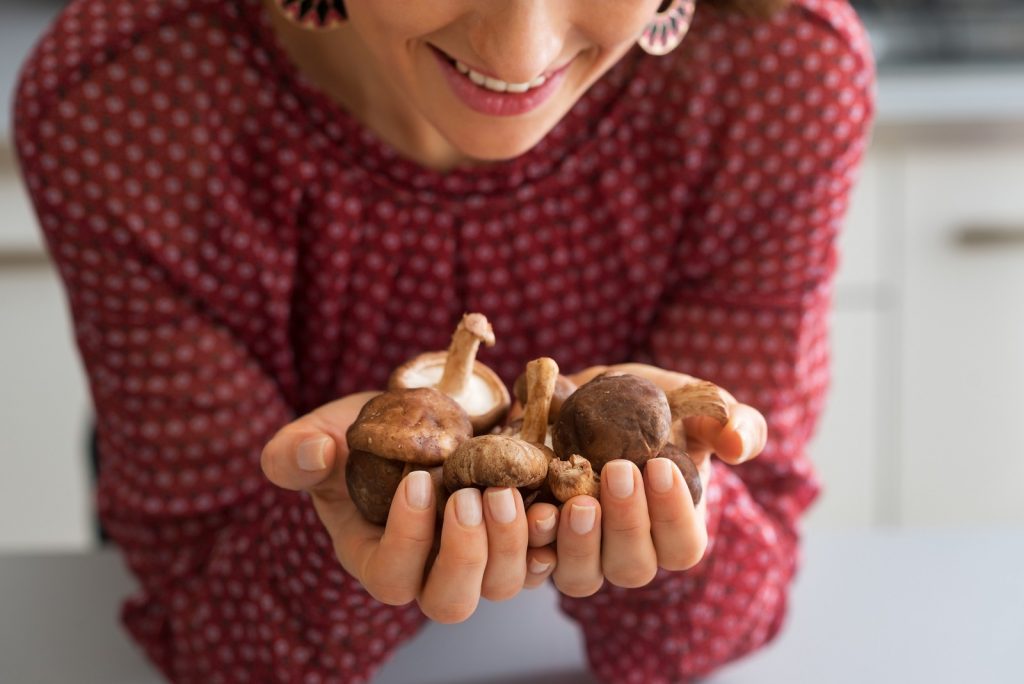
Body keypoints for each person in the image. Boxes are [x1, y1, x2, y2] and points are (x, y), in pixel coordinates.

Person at [13, 0, 874, 681]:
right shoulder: (123, 100)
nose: (517, 48)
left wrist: (673, 490)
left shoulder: (779, 77)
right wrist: (342, 527)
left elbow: (726, 619)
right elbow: (214, 640)